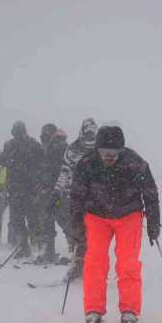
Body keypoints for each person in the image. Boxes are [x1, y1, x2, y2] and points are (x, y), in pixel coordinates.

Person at [70, 125, 160, 323]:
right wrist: (76, 224)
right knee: (94, 262)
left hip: (129, 214)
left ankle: (129, 311)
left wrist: (153, 222)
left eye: (113, 153)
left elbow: (150, 195)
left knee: (128, 262)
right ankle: (93, 310)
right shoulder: (87, 164)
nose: (108, 157)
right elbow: (76, 196)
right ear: (97, 150)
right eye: (104, 153)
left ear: (122, 150)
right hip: (96, 215)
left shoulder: (135, 163)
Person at [52, 118, 98, 280]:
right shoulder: (73, 148)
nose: (89, 136)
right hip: (75, 196)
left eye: (92, 133)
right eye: (87, 133)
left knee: (93, 234)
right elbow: (65, 172)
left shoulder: (100, 149)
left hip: (96, 198)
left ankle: (91, 266)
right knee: (77, 231)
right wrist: (57, 190)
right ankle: (79, 264)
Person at [1, 121, 43, 258]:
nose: (18, 136)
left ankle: (33, 245)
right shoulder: (12, 145)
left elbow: (3, 165)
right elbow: (3, 164)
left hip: (26, 189)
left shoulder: (30, 145)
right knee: (20, 219)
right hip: (19, 189)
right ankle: (26, 245)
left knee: (29, 218)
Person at [33, 124, 69, 264]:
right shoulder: (55, 146)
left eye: (44, 136)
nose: (43, 139)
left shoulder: (58, 146)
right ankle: (51, 251)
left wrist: (46, 184)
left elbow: (56, 169)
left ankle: (76, 251)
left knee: (61, 219)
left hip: (58, 191)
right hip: (53, 190)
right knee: (51, 218)